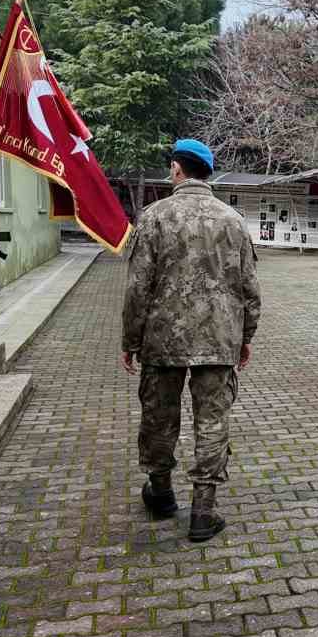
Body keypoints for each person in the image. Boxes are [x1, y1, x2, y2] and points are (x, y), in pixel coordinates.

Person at [122, 139, 262, 543]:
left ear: (176, 170)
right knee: (213, 420)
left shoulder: (154, 217)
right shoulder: (233, 220)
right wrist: (245, 336)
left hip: (163, 340)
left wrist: (130, 339)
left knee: (159, 417)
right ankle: (203, 510)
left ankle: (162, 494)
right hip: (219, 340)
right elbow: (250, 287)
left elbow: (138, 288)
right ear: (208, 172)